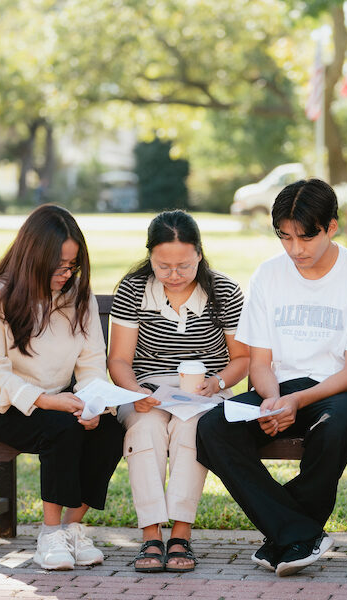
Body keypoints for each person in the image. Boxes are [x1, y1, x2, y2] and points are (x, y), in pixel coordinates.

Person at [196, 178, 347, 577]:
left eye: (306, 237)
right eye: (285, 238)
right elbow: (259, 362)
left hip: (339, 390)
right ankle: (300, 533)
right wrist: (272, 400)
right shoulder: (268, 276)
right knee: (214, 428)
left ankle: (287, 534)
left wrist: (296, 403)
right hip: (278, 388)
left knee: (333, 431)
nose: (295, 249)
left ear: (331, 227)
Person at [0, 204, 124, 571]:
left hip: (61, 399)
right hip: (3, 405)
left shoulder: (78, 298)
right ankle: (50, 534)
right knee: (61, 429)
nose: (66, 273)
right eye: (58, 265)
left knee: (111, 430)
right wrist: (46, 401)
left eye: (73, 265)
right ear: (32, 258)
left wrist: (93, 404)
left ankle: (72, 528)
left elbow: (89, 366)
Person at [107, 210, 249, 573]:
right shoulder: (133, 289)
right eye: (163, 265)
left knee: (191, 429)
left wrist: (216, 383)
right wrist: (135, 391)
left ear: (199, 254)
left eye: (183, 266)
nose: (173, 275)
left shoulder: (223, 291)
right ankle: (151, 535)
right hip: (146, 389)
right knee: (146, 429)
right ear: (149, 256)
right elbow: (120, 359)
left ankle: (181, 534)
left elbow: (242, 358)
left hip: (205, 391)